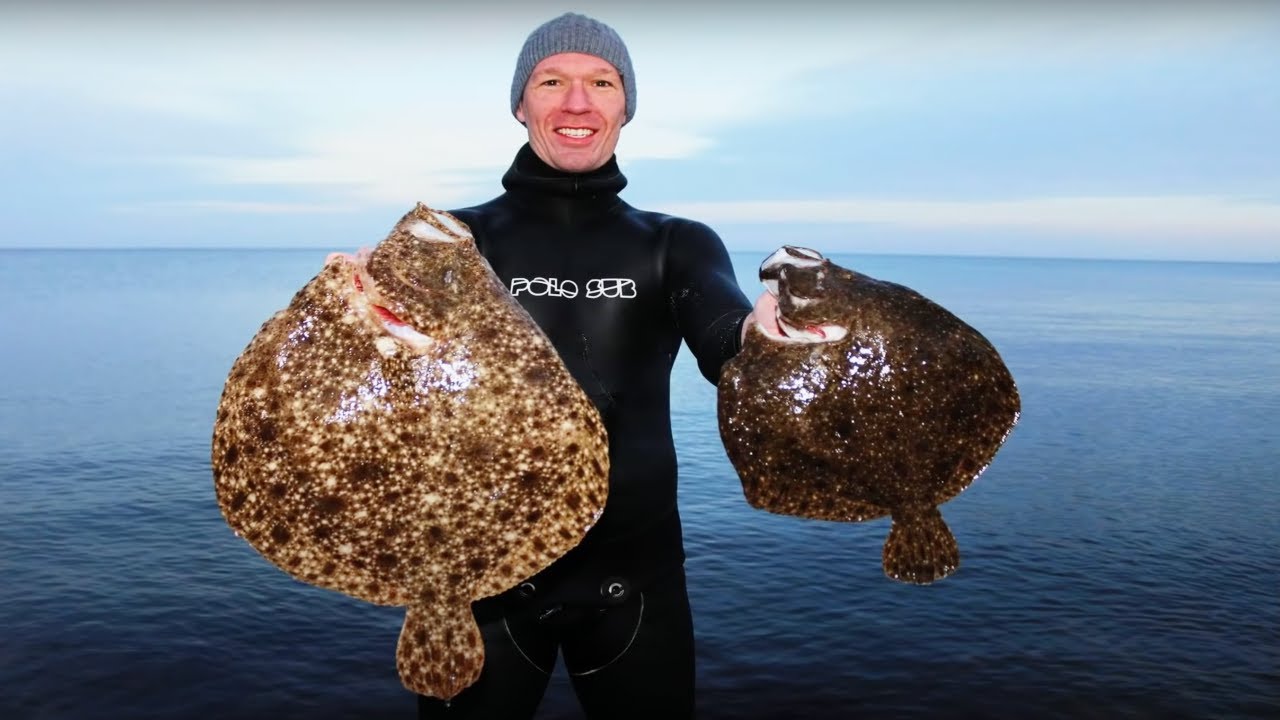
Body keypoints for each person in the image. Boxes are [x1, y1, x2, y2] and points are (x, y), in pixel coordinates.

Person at [420, 12, 774, 719]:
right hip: (472, 582)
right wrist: (347, 307)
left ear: (625, 105)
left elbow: (725, 343)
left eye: (601, 83)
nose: (577, 104)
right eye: (553, 81)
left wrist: (767, 337)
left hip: (634, 582)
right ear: (521, 103)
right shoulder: (443, 239)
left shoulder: (676, 242)